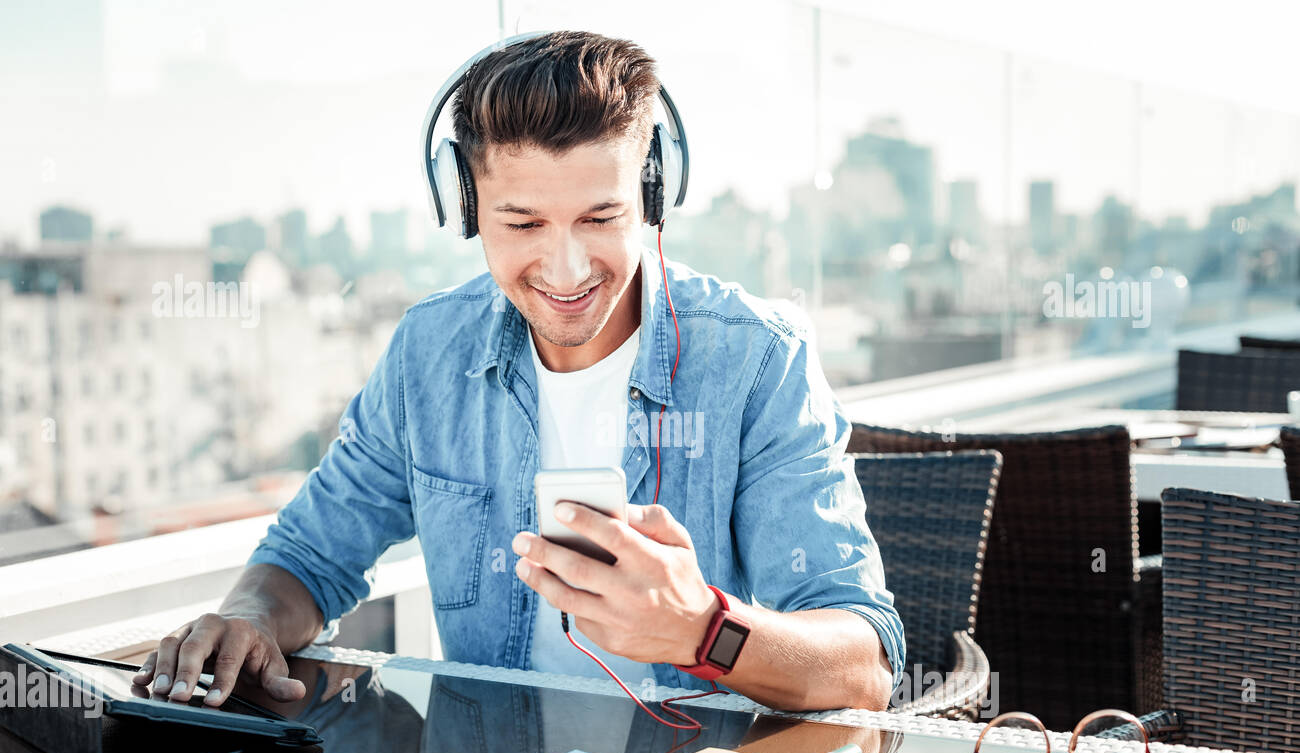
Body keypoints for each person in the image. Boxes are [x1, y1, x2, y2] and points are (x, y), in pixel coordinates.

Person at [134, 30, 905, 714]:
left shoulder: (758, 360)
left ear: (651, 197)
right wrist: (250, 619)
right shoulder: (430, 352)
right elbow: (309, 556)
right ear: (468, 207)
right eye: (523, 223)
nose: (566, 268)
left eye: (600, 219)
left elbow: (865, 665)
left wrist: (703, 629)